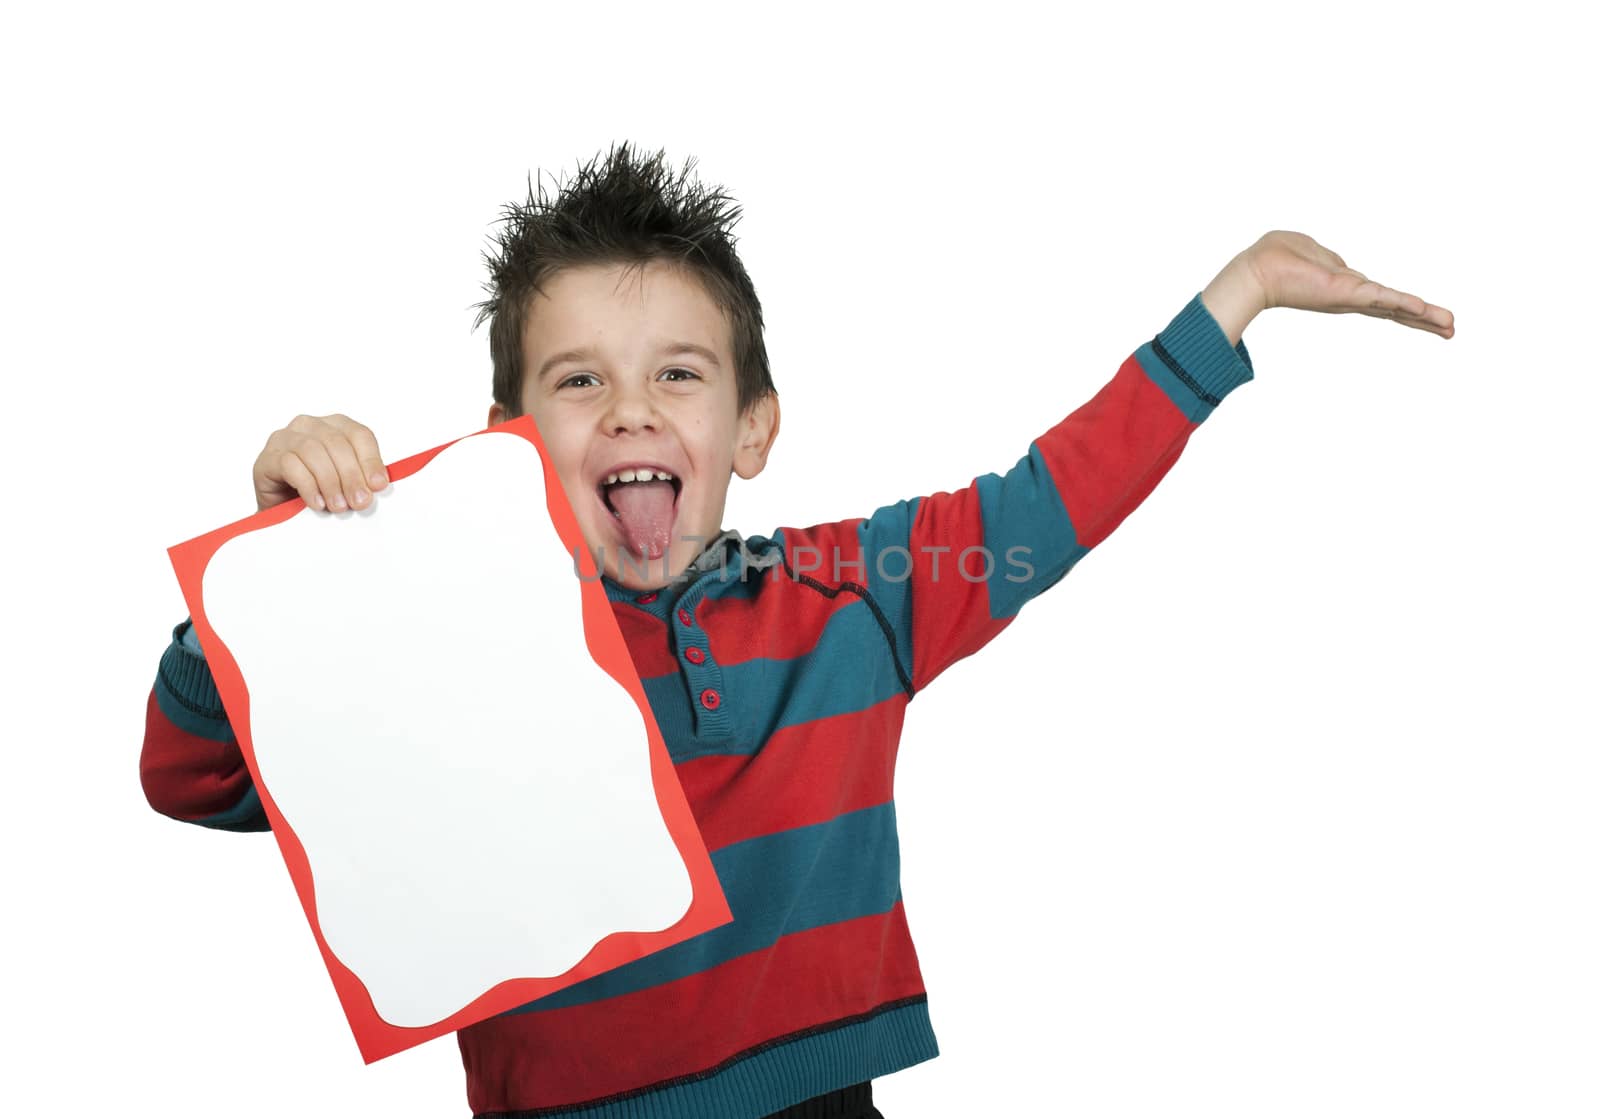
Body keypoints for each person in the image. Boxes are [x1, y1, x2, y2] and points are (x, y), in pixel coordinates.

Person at [138, 141, 1455, 1119]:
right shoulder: (454, 644)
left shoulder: (856, 591)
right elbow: (193, 783)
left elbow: (1052, 498)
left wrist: (1240, 295)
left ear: (753, 431)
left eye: (679, 374)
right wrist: (273, 593)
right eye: (579, 380)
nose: (632, 411)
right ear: (511, 445)